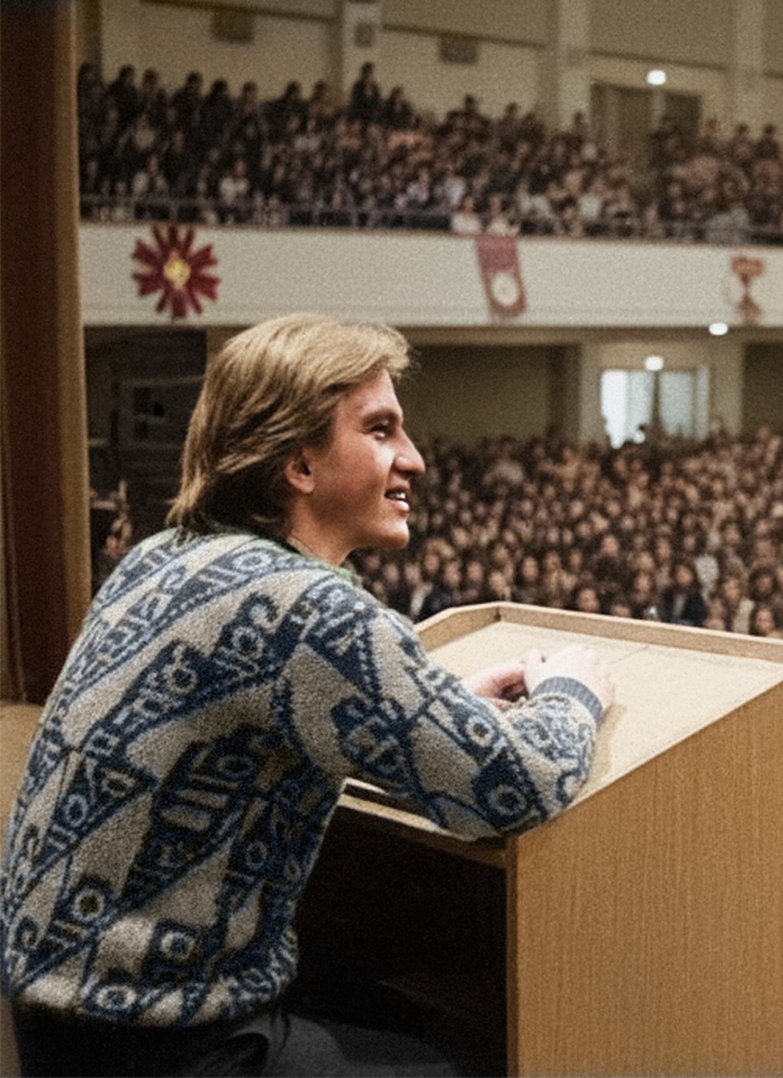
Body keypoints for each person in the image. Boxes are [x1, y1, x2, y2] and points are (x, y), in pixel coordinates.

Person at [0, 314, 617, 1076]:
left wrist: (432, 706)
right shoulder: (309, 608)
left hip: (66, 1029)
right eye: (381, 430)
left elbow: (248, 712)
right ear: (299, 463)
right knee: (501, 1054)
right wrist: (572, 692)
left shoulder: (162, 556)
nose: (415, 458)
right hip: (167, 1046)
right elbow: (515, 783)